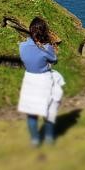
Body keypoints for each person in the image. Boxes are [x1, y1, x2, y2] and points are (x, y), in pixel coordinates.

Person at [17, 17, 65, 147]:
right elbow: (54, 60)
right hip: (43, 80)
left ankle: (35, 141)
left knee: (31, 113)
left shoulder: (22, 46)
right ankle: (49, 139)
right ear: (44, 32)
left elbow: (25, 59)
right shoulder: (47, 48)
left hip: (29, 79)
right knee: (48, 111)